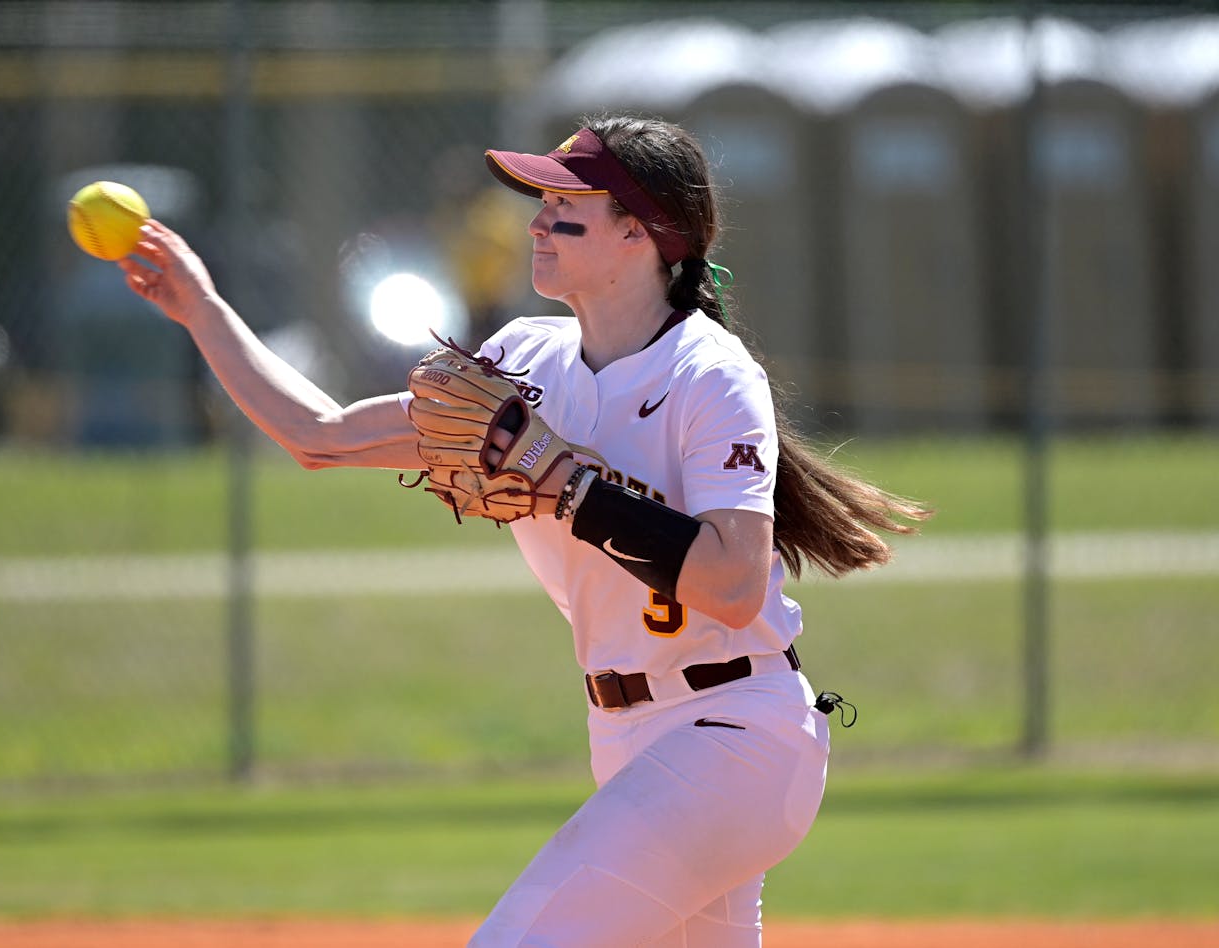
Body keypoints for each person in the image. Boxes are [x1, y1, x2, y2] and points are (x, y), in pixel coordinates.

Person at [120, 113, 929, 947]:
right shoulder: (525, 363)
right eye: (539, 201)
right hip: (627, 738)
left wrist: (571, 487)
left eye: (565, 205)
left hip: (733, 737)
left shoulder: (708, 374)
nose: (536, 221)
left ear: (640, 232)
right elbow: (321, 436)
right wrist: (201, 308)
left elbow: (731, 583)